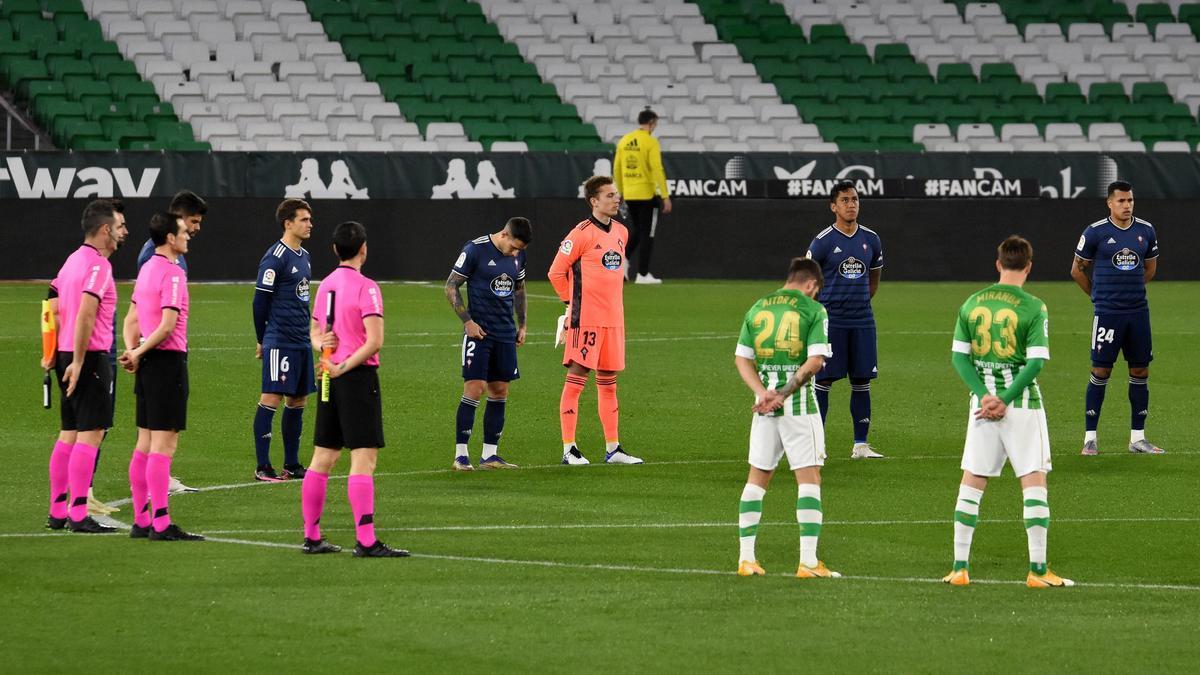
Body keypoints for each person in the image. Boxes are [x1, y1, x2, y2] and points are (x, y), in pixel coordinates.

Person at [943, 236, 1071, 589]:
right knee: (1033, 480)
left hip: (981, 407)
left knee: (972, 481)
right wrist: (1006, 398)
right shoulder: (1034, 307)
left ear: (998, 264)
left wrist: (985, 396)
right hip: (1022, 405)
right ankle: (1039, 571)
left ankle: (959, 568)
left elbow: (958, 357)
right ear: (1029, 266)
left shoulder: (972, 303)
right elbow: (1035, 364)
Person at [300, 221, 408, 557]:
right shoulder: (367, 287)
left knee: (323, 456)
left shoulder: (326, 285)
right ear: (363, 248)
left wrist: (323, 351)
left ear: (334, 250)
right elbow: (374, 341)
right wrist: (343, 366)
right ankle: (365, 540)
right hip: (354, 378)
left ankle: (312, 536)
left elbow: (315, 329)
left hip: (328, 378)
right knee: (364, 458)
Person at [733, 257, 839, 579]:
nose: (816, 296)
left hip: (763, 409)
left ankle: (746, 560)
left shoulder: (758, 307)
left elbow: (741, 358)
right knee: (809, 480)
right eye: (816, 291)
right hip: (799, 408)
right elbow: (816, 362)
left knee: (756, 480)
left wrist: (763, 393)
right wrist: (784, 393)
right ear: (810, 284)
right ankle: (807, 562)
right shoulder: (812, 310)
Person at [44, 199, 128, 533]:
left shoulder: (70, 262)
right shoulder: (98, 265)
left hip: (65, 352)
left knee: (68, 432)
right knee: (91, 433)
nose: (124, 232)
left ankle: (57, 511)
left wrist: (53, 352)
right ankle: (79, 514)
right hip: (88, 356)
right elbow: (86, 314)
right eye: (120, 227)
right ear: (105, 229)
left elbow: (52, 306)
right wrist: (79, 361)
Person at [120, 212, 204, 541]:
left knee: (144, 442)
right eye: (183, 231)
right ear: (170, 238)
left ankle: (142, 520)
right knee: (164, 446)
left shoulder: (145, 271)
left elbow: (132, 321)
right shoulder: (172, 273)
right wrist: (138, 354)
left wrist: (134, 351)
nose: (188, 236)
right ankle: (160, 522)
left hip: (147, 363)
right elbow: (168, 325)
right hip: (167, 363)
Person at [548, 176, 642, 465]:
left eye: (617, 195)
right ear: (594, 201)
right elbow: (555, 273)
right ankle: (569, 448)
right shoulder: (580, 234)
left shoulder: (622, 232)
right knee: (576, 381)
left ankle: (613, 448)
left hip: (614, 320)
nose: (617, 199)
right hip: (585, 319)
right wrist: (570, 305)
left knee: (609, 384)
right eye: (610, 195)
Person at [1070, 180, 1163, 456]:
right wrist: (1098, 298)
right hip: (1108, 314)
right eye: (1121, 201)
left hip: (1137, 313)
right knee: (1101, 371)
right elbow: (1077, 270)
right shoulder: (1095, 232)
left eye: (1130, 200)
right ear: (1110, 203)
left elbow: (1150, 269)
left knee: (1140, 371)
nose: (1127, 205)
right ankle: (1090, 439)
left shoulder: (1146, 230)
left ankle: (1137, 438)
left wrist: (1130, 292)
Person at [444, 217, 532, 471]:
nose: (515, 252)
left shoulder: (519, 256)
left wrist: (522, 324)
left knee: (500, 390)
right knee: (474, 388)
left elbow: (519, 289)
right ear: (504, 234)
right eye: (513, 247)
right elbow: (450, 286)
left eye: (520, 250)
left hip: (505, 332)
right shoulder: (475, 249)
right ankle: (461, 456)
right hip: (479, 332)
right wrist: (467, 322)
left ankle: (490, 456)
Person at [805, 180, 885, 459]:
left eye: (855, 199)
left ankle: (860, 445)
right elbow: (808, 285)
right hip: (832, 320)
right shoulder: (822, 242)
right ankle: (817, 446)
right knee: (824, 381)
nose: (851, 205)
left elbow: (873, 281)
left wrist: (858, 302)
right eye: (845, 200)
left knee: (862, 380)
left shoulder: (871, 239)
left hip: (862, 320)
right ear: (833, 206)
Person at [136, 191, 207, 495]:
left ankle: (144, 508)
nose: (196, 229)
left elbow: (134, 311)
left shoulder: (158, 260)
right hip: (163, 354)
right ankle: (158, 503)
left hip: (151, 353)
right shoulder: (164, 264)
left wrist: (136, 348)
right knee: (161, 435)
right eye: (192, 222)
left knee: (149, 434)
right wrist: (141, 348)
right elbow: (158, 319)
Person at [251, 199, 316, 481]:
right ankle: (263, 466)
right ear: (288, 223)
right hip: (280, 339)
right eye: (303, 219)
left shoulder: (304, 256)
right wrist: (262, 338)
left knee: (298, 400)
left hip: (301, 340)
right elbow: (259, 301)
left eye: (309, 219)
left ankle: (292, 464)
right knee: (271, 397)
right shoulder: (275, 257)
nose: (309, 224)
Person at [613, 108, 672, 285]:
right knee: (648, 234)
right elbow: (657, 168)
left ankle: (623, 261)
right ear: (652, 122)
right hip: (647, 194)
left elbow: (617, 168)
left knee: (638, 230)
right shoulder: (650, 142)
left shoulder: (624, 141)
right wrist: (665, 196)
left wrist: (621, 192)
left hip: (630, 194)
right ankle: (643, 274)